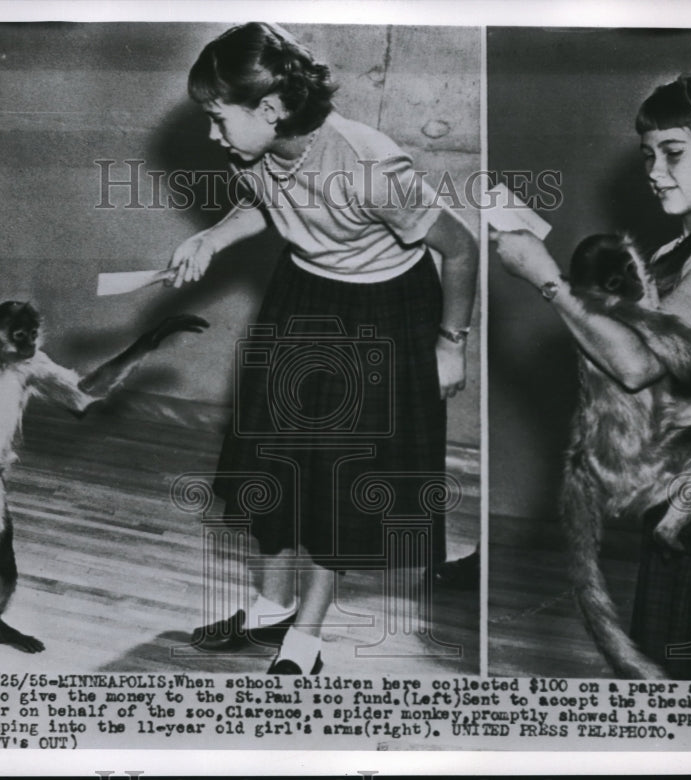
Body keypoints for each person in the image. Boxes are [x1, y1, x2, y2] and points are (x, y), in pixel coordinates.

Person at [168, 23, 479, 674]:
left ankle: (305, 637)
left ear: (272, 110)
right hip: (305, 290)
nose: (211, 134)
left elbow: (460, 248)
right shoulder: (252, 150)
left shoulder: (369, 164)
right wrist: (211, 240)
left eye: (218, 117)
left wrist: (451, 344)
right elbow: (269, 204)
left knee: (342, 472)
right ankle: (269, 607)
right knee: (273, 457)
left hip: (383, 309)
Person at [490, 73, 691, 681]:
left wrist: (549, 283)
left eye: (674, 153)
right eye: (649, 155)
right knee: (676, 665)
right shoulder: (683, 248)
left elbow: (638, 367)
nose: (655, 169)